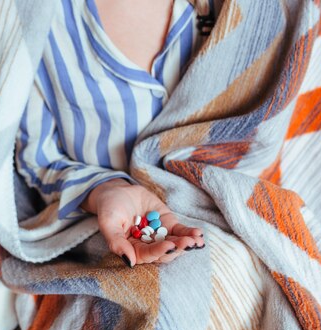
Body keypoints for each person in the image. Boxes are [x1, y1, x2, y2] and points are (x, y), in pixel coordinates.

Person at [15, 0, 211, 267]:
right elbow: (39, 159)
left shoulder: (225, 10)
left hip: (224, 204)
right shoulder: (33, 19)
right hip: (99, 227)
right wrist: (105, 190)